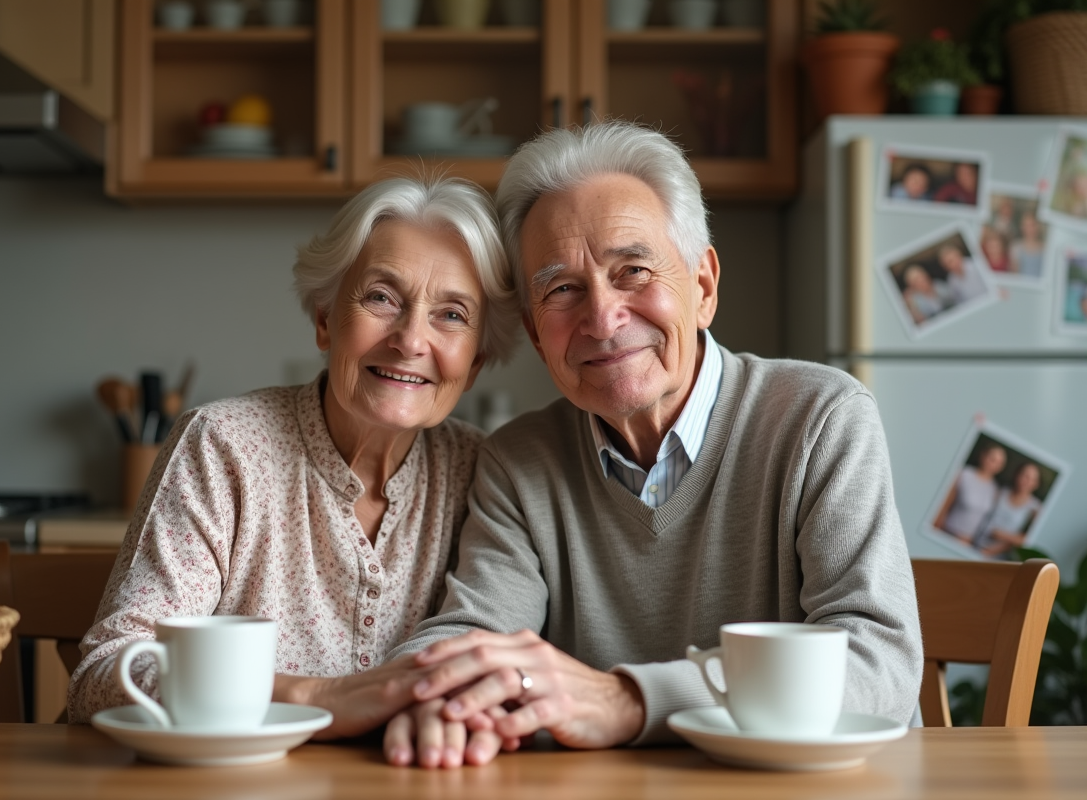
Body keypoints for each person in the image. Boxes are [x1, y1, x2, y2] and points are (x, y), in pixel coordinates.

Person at [379, 121, 923, 767]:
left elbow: (876, 664)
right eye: (562, 290)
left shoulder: (820, 418)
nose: (603, 318)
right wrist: (435, 693)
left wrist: (629, 701)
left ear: (703, 286)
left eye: (633, 271)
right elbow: (475, 630)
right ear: (532, 330)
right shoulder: (519, 461)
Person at [67, 175, 520, 762]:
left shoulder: (487, 473)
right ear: (326, 319)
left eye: (452, 315)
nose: (411, 340)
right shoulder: (223, 445)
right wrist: (318, 697)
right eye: (382, 297)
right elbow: (103, 676)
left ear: (478, 358)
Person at [933, 444, 1006, 544]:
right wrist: (935, 529)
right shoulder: (965, 474)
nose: (994, 465)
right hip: (947, 532)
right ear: (983, 456)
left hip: (968, 542)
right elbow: (944, 503)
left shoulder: (994, 489)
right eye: (992, 459)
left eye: (999, 463)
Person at [972, 462, 1043, 559]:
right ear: (1017, 475)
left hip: (1000, 557)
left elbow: (1029, 539)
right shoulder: (1000, 492)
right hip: (975, 546)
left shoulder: (1035, 508)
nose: (1026, 481)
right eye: (1024, 475)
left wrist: (1001, 536)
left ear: (1036, 484)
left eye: (1031, 479)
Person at [1008, 210, 1045, 278]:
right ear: (1022, 227)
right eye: (1026, 225)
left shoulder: (1045, 248)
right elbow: (1014, 274)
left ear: (1038, 226)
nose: (1030, 229)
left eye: (1032, 225)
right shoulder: (1016, 246)